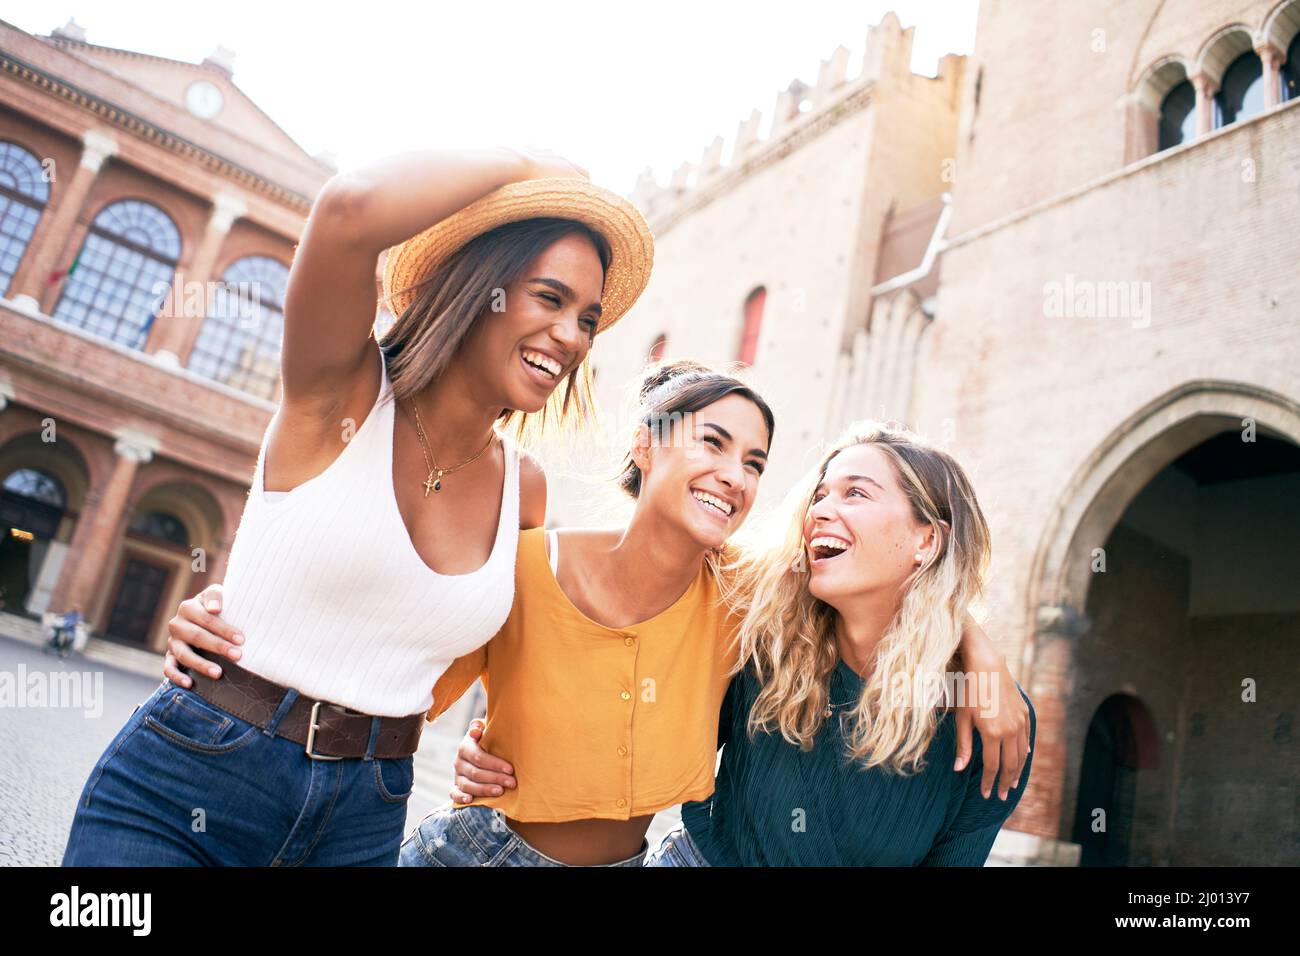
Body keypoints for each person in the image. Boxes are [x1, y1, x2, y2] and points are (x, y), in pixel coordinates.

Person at [60, 146, 653, 867]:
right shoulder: (340, 388)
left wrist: (489, 741)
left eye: (588, 319)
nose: (571, 337)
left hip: (365, 819)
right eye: (549, 298)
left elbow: (490, 654)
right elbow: (347, 212)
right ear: (479, 287)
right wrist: (531, 164)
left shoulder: (523, 488)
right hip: (191, 780)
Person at [644, 422, 1035, 865]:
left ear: (926, 540)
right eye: (820, 495)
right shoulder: (760, 627)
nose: (820, 511)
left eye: (855, 493)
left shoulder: (986, 712)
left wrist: (970, 642)